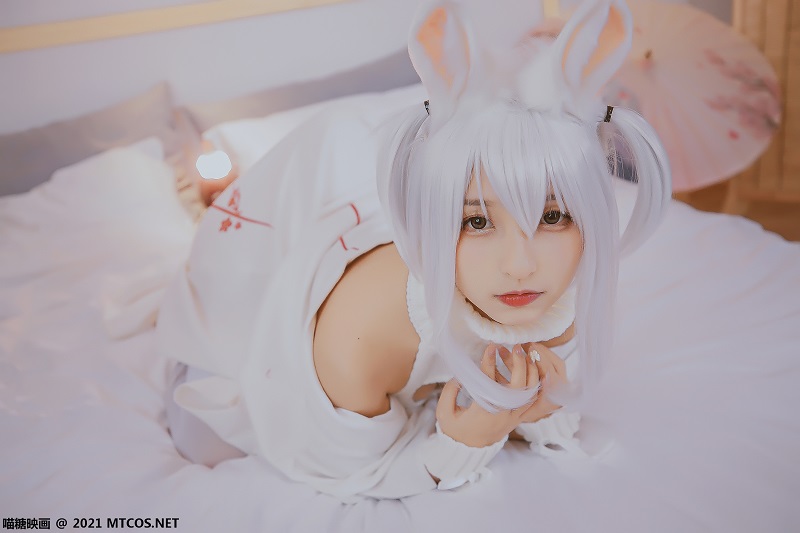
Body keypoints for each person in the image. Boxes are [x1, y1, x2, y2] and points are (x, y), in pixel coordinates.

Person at [157, 0, 670, 502]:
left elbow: (540, 409)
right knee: (207, 444)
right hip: (260, 290)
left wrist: (538, 412)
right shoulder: (362, 332)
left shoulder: (557, 288)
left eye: (552, 217)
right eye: (476, 222)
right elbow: (349, 466)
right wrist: (461, 445)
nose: (521, 266)